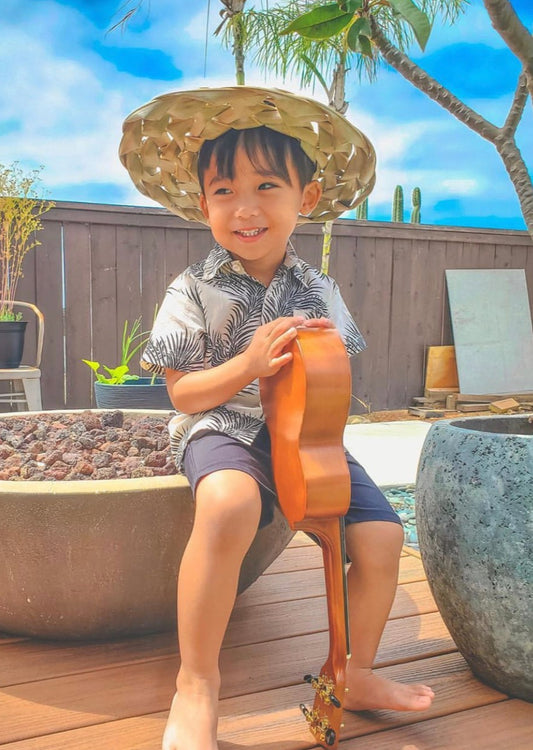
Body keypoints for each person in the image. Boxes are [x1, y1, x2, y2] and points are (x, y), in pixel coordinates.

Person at [119, 87, 435, 750]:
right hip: (222, 429)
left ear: (306, 199)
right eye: (224, 190)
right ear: (203, 204)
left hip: (306, 435)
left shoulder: (320, 290)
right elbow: (182, 395)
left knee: (380, 541)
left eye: (267, 185)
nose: (245, 207)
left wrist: (314, 377)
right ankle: (196, 684)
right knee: (230, 503)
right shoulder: (192, 288)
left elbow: (332, 373)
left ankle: (353, 671)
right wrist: (250, 364)